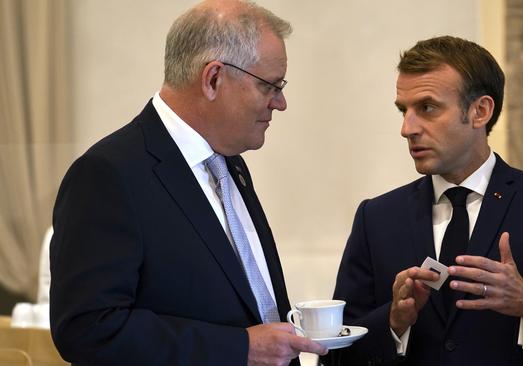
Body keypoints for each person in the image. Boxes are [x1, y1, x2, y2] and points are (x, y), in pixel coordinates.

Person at [49, 1, 327, 365]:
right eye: (269, 87)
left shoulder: (231, 166)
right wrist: (239, 349)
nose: (281, 103)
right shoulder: (108, 175)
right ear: (213, 79)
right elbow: (88, 329)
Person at [327, 36, 523, 365]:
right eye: (403, 110)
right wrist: (394, 322)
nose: (407, 128)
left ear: (480, 111)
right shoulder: (377, 218)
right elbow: (338, 355)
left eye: (427, 108)